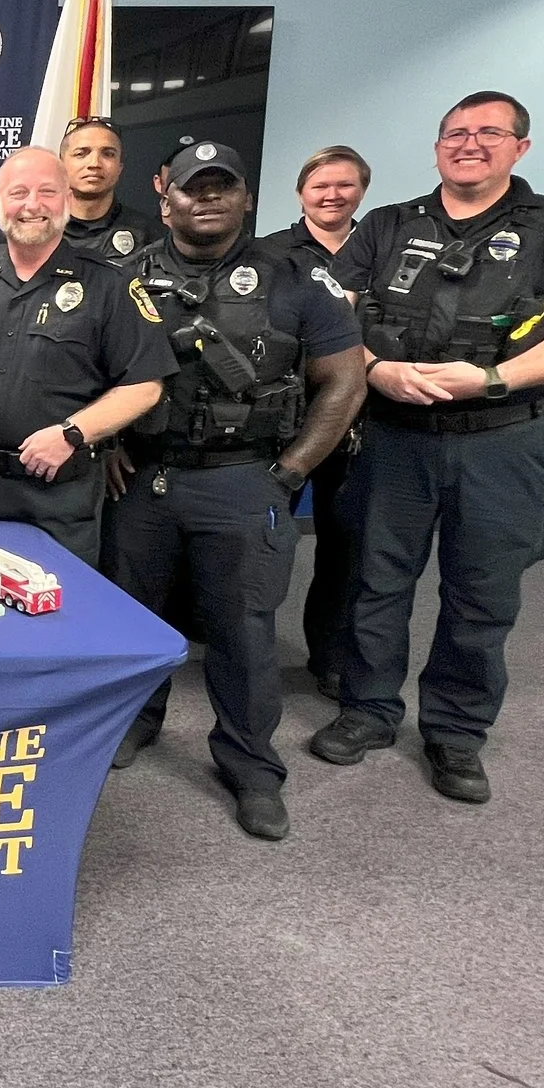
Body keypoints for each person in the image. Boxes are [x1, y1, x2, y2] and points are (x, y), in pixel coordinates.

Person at [318, 92, 544, 804]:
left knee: (482, 593)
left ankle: (456, 731)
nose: (470, 143)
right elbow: (329, 316)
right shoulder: (388, 226)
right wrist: (373, 369)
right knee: (375, 580)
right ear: (436, 148)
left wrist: (492, 377)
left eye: (490, 132)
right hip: (394, 438)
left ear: (520, 147)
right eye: (455, 132)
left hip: (503, 439)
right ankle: (367, 710)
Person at [101, 143, 367, 841]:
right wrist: (104, 445)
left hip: (245, 478)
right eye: (194, 188)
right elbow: (90, 373)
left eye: (224, 187)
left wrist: (292, 469)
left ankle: (251, 765)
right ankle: (134, 722)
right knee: (133, 621)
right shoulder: (123, 279)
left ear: (247, 198)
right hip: (146, 478)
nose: (208, 198)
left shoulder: (295, 280)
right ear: (167, 201)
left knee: (243, 631)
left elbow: (344, 381)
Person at [0, 147, 171, 565]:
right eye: (18, 192)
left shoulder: (108, 285)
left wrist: (72, 432)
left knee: (59, 615)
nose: (32, 204)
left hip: (59, 496)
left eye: (47, 192)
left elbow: (144, 385)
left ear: (66, 201)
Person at [259, 144, 373, 696]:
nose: (332, 195)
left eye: (344, 185)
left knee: (345, 544)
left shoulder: (382, 250)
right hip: (282, 421)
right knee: (265, 536)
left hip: (358, 420)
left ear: (362, 192)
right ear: (300, 191)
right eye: (320, 185)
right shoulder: (270, 253)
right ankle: (243, 642)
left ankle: (328, 655)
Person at [60, 115, 158, 266]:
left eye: (108, 154)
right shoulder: (37, 231)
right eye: (81, 153)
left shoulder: (151, 237)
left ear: (120, 168)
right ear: (60, 165)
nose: (94, 163)